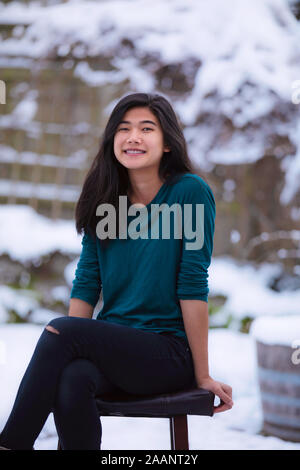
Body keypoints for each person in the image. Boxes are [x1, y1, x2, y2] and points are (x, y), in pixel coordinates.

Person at [0, 92, 233, 451]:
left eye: (146, 128)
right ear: (112, 140)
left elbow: (192, 284)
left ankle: (11, 444)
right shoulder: (105, 196)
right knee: (72, 378)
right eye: (123, 128)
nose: (133, 137)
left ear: (168, 142)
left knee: (61, 329)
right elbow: (87, 282)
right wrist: (71, 347)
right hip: (115, 348)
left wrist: (201, 374)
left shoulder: (189, 192)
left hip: (167, 353)